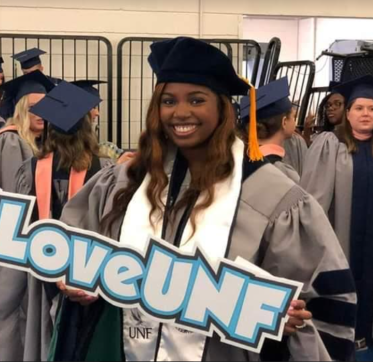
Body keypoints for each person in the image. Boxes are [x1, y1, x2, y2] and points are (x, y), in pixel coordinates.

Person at [50, 37, 356, 362]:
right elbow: (71, 250)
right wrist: (75, 283)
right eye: (169, 101)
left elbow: (322, 304)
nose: (181, 112)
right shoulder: (122, 183)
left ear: (222, 108)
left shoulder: (273, 196)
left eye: (196, 100)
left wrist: (283, 318)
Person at [15, 80, 112, 361]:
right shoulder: (103, 170)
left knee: (47, 334)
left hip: (40, 267)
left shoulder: (31, 167)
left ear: (50, 127)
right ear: (87, 127)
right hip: (88, 273)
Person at [301, 75, 373, 362]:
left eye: (371, 109)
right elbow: (314, 201)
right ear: (347, 114)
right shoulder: (329, 144)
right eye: (359, 108)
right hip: (341, 243)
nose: (365, 114)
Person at [0, 70, 55, 361]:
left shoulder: (36, 143)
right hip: (12, 241)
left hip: (29, 241)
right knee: (13, 310)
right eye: (33, 107)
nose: (41, 114)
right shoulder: (9, 142)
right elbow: (13, 198)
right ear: (21, 108)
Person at [240, 77, 300, 183]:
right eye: (293, 116)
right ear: (284, 122)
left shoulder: (240, 165)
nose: (295, 121)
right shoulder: (283, 174)